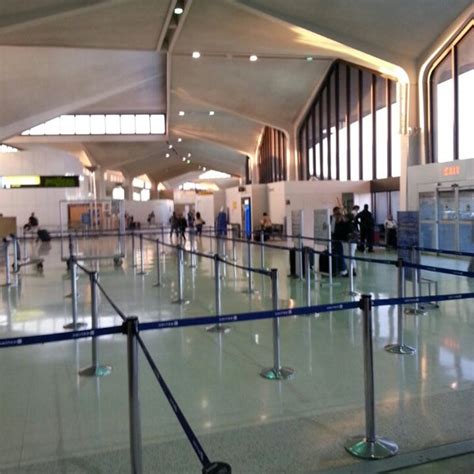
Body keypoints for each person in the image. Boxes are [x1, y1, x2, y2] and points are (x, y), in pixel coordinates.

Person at [331, 207, 348, 276]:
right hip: (336, 239)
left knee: (340, 254)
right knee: (338, 254)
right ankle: (340, 269)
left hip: (340, 240)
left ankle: (343, 269)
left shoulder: (342, 219)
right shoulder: (334, 219)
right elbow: (332, 230)